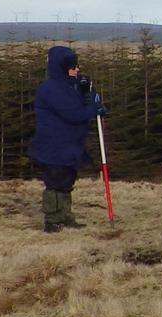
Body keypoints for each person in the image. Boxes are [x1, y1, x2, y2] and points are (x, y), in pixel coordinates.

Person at [27, 45, 106, 233]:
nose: (77, 69)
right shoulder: (51, 89)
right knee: (55, 183)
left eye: (77, 66)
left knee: (66, 181)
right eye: (73, 67)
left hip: (69, 145)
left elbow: (84, 104)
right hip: (54, 146)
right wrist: (93, 109)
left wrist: (89, 95)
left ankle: (65, 215)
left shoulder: (70, 85)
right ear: (62, 67)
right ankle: (53, 219)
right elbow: (74, 114)